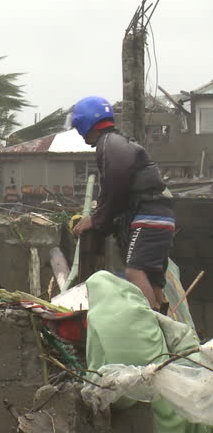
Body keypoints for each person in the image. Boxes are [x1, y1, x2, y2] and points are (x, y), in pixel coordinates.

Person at [70, 96, 174, 310]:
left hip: (148, 215)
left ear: (85, 123)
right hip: (161, 215)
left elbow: (115, 183)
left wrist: (97, 219)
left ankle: (151, 324)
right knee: (152, 278)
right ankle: (164, 326)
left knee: (134, 272)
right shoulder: (120, 141)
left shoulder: (109, 143)